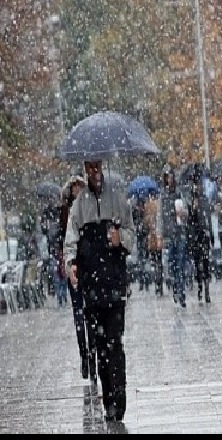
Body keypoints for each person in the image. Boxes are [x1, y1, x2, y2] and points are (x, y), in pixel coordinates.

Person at [64, 159, 134, 422]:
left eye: (96, 166)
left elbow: (131, 233)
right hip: (91, 287)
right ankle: (109, 401)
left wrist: (120, 238)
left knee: (115, 342)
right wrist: (71, 264)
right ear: (85, 169)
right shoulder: (79, 205)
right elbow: (70, 240)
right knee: (99, 346)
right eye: (89, 167)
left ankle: (119, 395)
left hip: (114, 283)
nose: (93, 171)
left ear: (102, 166)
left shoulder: (117, 199)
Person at [57, 175, 96, 382]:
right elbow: (62, 239)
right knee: (79, 314)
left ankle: (92, 356)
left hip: (89, 266)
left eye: (79, 187)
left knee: (90, 315)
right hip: (74, 265)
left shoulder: (90, 208)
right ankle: (84, 355)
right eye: (74, 188)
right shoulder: (65, 212)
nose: (77, 191)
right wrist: (67, 262)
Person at [186, 177, 214, 303]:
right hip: (195, 236)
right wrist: (193, 209)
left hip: (204, 235)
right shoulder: (190, 201)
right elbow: (189, 221)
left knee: (206, 261)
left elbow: (208, 217)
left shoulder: (205, 200)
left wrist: (211, 234)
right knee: (197, 263)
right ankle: (200, 287)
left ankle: (206, 288)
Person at [160, 165, 181, 299]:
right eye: (167, 177)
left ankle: (180, 289)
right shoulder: (163, 194)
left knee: (179, 263)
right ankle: (174, 286)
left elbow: (184, 210)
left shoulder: (178, 192)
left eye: (171, 177)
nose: (170, 179)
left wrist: (181, 214)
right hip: (167, 233)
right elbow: (160, 215)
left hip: (178, 232)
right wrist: (160, 234)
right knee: (170, 262)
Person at [143, 193, 164, 297]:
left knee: (155, 261)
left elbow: (145, 224)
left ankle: (157, 282)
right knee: (158, 261)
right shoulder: (158, 205)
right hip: (156, 238)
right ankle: (159, 283)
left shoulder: (148, 206)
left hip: (153, 238)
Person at [169, 198, 189, 307]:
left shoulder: (185, 218)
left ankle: (181, 294)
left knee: (180, 269)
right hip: (174, 242)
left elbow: (187, 229)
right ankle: (176, 289)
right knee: (174, 268)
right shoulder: (171, 218)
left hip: (181, 243)